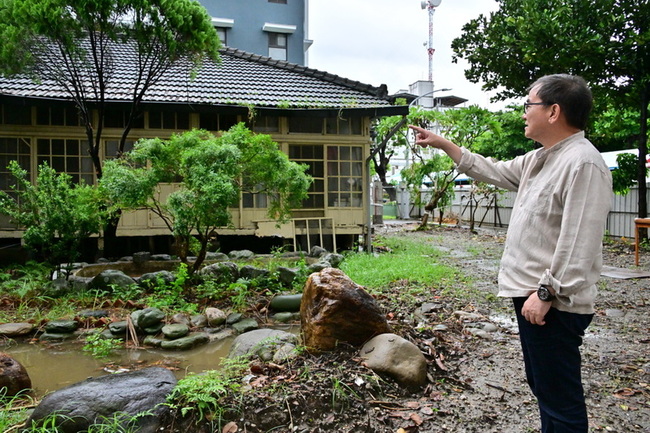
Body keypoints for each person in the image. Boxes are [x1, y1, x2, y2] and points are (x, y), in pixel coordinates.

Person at [409, 74, 613, 433]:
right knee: (544, 387)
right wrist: (444, 144)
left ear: (553, 111)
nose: (522, 113)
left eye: (527, 104)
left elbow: (579, 242)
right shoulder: (541, 158)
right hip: (534, 297)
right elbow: (492, 169)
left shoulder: (583, 163)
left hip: (553, 302)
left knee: (560, 398)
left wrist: (547, 293)